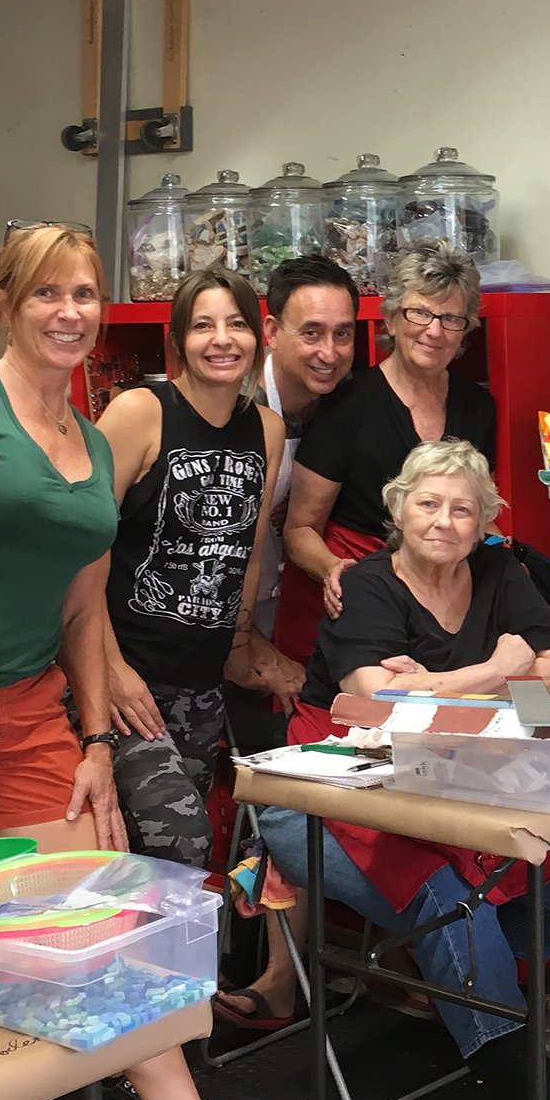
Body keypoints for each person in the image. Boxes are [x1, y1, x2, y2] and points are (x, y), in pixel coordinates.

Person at [0, 224, 308, 1100]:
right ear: (4, 302)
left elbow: (86, 611)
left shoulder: (92, 442)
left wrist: (96, 739)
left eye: (86, 293)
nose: (70, 312)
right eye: (48, 293)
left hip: (33, 704)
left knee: (95, 903)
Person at [256, 440, 550, 1100]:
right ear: (398, 509)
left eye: (463, 508)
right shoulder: (368, 583)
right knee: (451, 906)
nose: (444, 521)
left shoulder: (502, 571)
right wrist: (493, 672)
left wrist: (439, 686)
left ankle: (466, 992)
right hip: (332, 791)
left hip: (463, 772)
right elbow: (377, 703)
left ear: (485, 523)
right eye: (428, 504)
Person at [96, 269, 284, 869]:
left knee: (174, 870)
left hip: (201, 685)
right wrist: (110, 669)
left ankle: (158, 964)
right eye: (203, 325)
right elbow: (82, 548)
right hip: (126, 679)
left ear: (259, 337)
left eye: (236, 324)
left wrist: (243, 644)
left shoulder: (268, 429)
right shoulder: (140, 412)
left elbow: (248, 550)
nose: (221, 339)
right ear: (178, 339)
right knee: (182, 841)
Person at [279, 240, 495, 664]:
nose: (434, 330)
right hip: (354, 597)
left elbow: (479, 512)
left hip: (444, 603)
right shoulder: (347, 403)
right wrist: (334, 571)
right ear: (392, 318)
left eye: (451, 318)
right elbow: (299, 528)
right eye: (420, 312)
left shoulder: (478, 405)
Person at [222, 255, 361, 750]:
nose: (329, 352)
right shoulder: (233, 409)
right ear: (272, 331)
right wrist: (249, 650)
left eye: (343, 334)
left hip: (292, 619)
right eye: (312, 333)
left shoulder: (347, 407)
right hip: (221, 629)